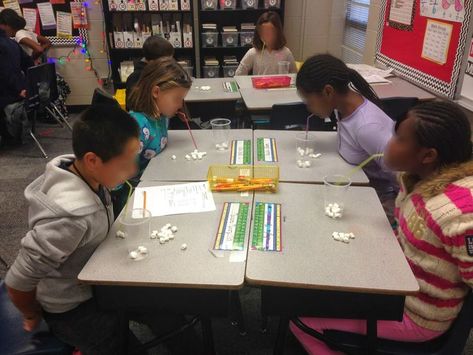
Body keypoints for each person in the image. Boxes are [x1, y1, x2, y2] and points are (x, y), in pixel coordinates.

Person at [290, 100, 473, 354]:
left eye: (399, 138)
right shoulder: (415, 180)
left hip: (416, 316)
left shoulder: (458, 213)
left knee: (301, 321)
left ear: (428, 155)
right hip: (395, 284)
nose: (388, 143)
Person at [4, 104, 141, 353]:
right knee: (121, 343)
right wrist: (32, 314)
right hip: (72, 309)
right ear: (92, 160)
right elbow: (17, 281)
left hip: (92, 280)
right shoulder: (71, 217)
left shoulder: (83, 170)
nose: (133, 170)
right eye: (125, 164)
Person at [296, 54, 398, 224]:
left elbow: (403, 178)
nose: (309, 107)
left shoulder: (367, 128)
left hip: (378, 198)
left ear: (328, 91)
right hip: (358, 185)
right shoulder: (340, 105)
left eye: (309, 101)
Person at [112, 57, 191, 216]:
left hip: (156, 180)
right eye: (176, 99)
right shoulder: (138, 126)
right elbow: (116, 179)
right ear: (156, 92)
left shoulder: (162, 115)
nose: (180, 104)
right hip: (134, 199)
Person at [235, 11, 296, 76]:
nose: (266, 36)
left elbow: (295, 76)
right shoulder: (253, 52)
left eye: (270, 32)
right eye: (263, 32)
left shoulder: (286, 52)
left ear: (278, 32)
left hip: (281, 86)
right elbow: (239, 74)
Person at [0, 26, 33, 145]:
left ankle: (7, 135)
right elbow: (29, 64)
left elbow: (5, 73)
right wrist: (25, 87)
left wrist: (18, 89)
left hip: (10, 94)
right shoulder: (12, 43)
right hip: (22, 91)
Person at [125, 35, 175, 110]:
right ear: (152, 62)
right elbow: (132, 106)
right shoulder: (136, 78)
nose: (168, 64)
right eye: (165, 61)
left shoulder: (158, 71)